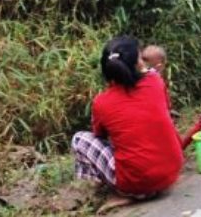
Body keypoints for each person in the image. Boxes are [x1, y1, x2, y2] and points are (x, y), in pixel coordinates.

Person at [72, 37, 183, 211]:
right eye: (140, 58)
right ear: (137, 64)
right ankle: (139, 184)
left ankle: (120, 192)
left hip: (137, 185)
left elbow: (99, 135)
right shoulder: (155, 82)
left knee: (80, 139)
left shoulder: (101, 102)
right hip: (170, 174)